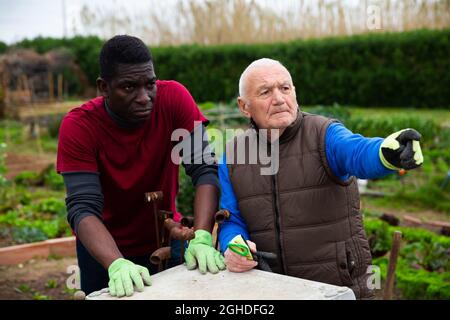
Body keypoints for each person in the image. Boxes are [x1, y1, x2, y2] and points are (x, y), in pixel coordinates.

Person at [218, 58, 423, 299]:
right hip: (270, 290)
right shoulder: (234, 154)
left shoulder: (324, 134)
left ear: (294, 92)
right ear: (244, 107)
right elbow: (231, 219)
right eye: (265, 92)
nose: (279, 99)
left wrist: (387, 153)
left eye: (285, 88)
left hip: (336, 289)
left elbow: (357, 152)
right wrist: (232, 243)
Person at [57, 35, 225, 298]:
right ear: (104, 87)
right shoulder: (80, 127)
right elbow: (82, 207)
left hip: (163, 238)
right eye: (128, 87)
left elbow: (204, 170)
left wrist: (202, 236)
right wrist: (116, 263)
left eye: (150, 84)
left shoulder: (173, 99)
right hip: (102, 252)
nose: (144, 97)